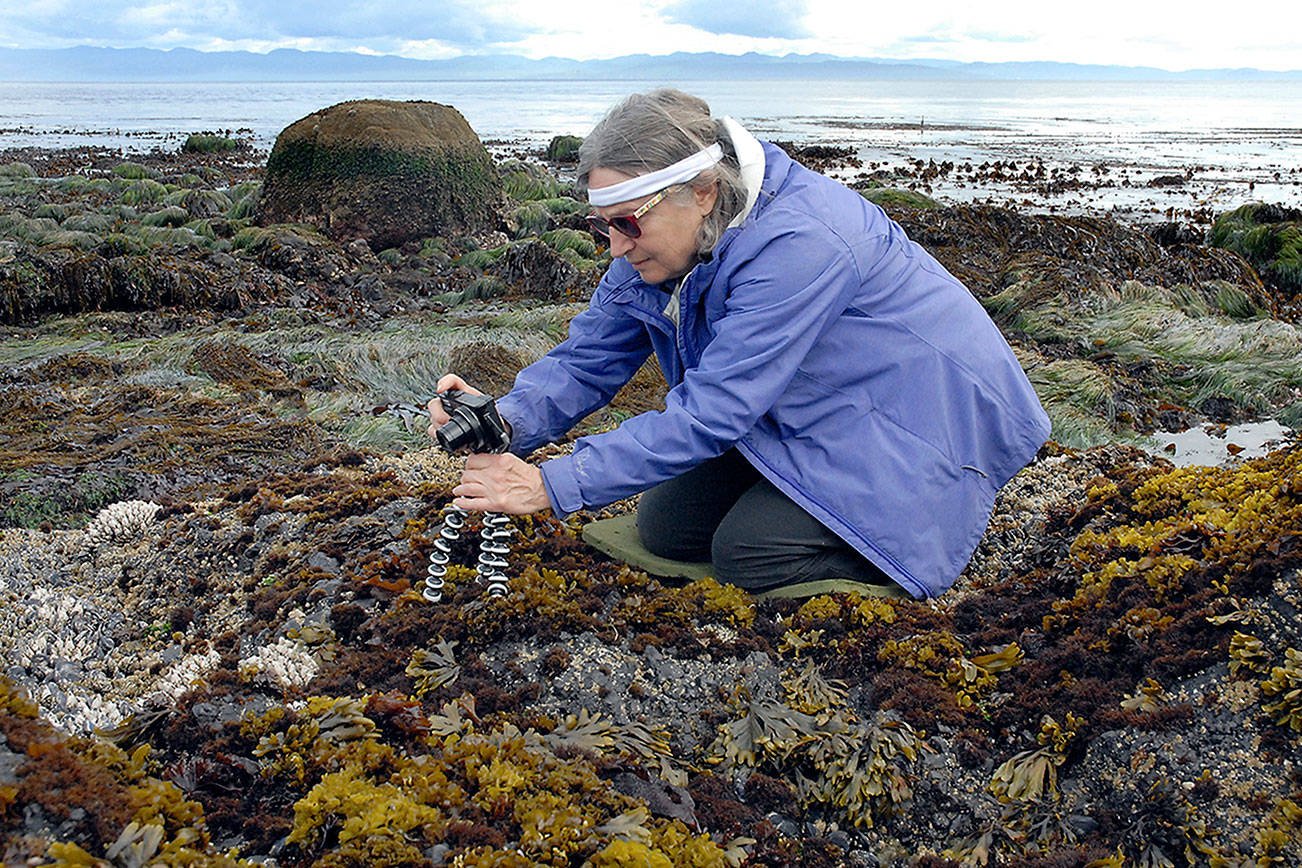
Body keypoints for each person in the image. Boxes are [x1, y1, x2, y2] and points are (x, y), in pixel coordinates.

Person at [429, 88, 1050, 599]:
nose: (615, 246)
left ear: (701, 192)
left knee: (747, 555)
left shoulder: (802, 243)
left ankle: (902, 549)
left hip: (924, 419)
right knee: (665, 526)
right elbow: (589, 358)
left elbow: (714, 412)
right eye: (600, 225)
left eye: (626, 222)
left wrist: (552, 485)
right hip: (810, 404)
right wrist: (501, 423)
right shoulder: (662, 238)